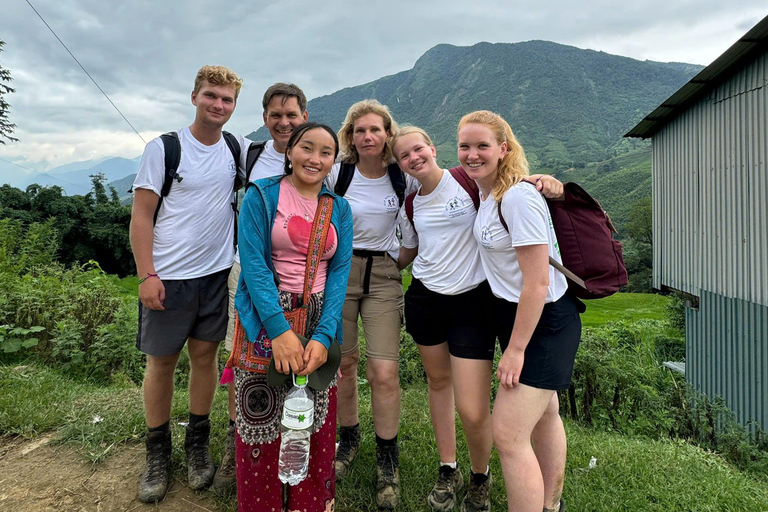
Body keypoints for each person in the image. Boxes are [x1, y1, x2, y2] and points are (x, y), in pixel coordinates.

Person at [392, 126, 563, 512]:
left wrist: (548, 183)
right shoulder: (411, 203)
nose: (413, 158)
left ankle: (480, 475)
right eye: (404, 156)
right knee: (438, 384)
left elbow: (508, 183)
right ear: (400, 165)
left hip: (472, 305)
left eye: (418, 149)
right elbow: (408, 251)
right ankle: (447, 468)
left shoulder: (465, 183)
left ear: (433, 149)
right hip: (424, 300)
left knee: (472, 408)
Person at [130, 65, 250, 503]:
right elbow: (141, 215)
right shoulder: (165, 148)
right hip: (169, 276)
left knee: (206, 356)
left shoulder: (237, 148)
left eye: (227, 99)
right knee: (161, 363)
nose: (218, 105)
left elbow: (288, 150)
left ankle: (197, 444)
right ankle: (157, 453)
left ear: (235, 106)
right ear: (194, 96)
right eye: (211, 96)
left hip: (216, 274)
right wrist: (147, 274)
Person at [458, 110, 582, 512]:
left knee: (509, 434)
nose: (472, 154)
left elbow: (537, 283)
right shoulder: (488, 191)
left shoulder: (518, 197)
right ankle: (551, 504)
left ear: (503, 149)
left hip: (544, 321)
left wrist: (515, 350)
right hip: (519, 317)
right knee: (545, 413)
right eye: (465, 146)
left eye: (482, 146)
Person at [229, 122, 353, 512]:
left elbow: (339, 275)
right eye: (307, 148)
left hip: (319, 316)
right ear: (289, 151)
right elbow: (253, 266)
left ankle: (309, 503)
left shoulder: (339, 208)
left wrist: (324, 335)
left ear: (334, 160)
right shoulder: (260, 197)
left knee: (313, 419)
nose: (315, 159)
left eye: (326, 152)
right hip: (266, 317)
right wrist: (278, 331)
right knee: (260, 420)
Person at [214, 82, 309, 491]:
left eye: (291, 115)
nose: (284, 122)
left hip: (305, 281)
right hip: (248, 271)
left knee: (302, 358)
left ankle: (297, 437)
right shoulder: (249, 154)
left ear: (305, 116)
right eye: (276, 115)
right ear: (264, 118)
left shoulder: (322, 156)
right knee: (242, 354)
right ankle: (238, 445)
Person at [325, 99, 417, 510]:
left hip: (382, 275)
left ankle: (387, 457)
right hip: (339, 274)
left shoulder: (402, 179)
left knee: (384, 371)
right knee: (342, 364)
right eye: (359, 130)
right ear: (350, 136)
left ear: (386, 135)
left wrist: (396, 262)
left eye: (375, 130)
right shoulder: (337, 174)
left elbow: (436, 196)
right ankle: (348, 440)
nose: (367, 136)